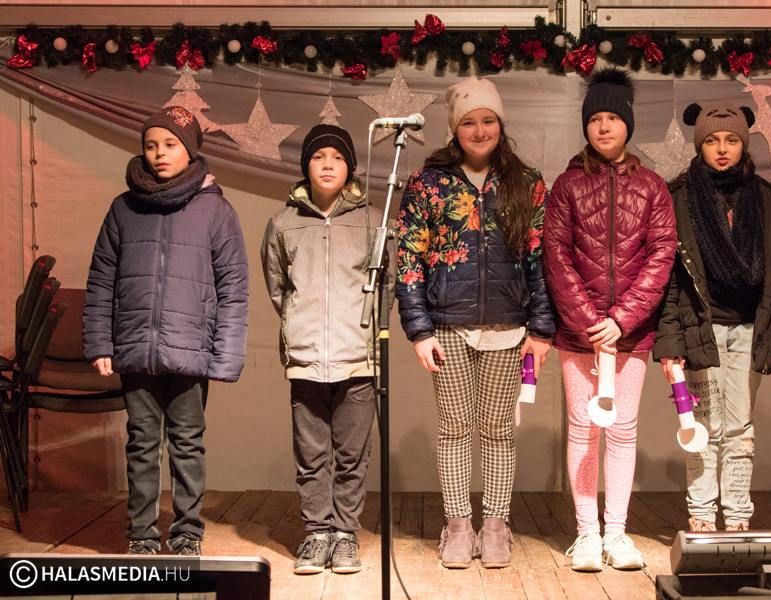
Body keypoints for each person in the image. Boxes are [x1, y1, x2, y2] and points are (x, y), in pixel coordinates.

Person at [396, 76, 556, 569]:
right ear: (455, 127)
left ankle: (497, 525)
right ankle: (458, 525)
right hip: (448, 327)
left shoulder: (526, 183)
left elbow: (542, 260)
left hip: (509, 328)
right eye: (469, 122)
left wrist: (542, 329)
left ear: (500, 124)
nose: (480, 130)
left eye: (488, 120)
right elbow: (409, 261)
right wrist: (419, 331)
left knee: (499, 430)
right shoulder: (428, 184)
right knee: (454, 429)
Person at [83, 106, 249, 556]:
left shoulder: (215, 210)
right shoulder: (123, 209)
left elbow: (233, 286)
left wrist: (225, 355)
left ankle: (187, 532)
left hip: (190, 350)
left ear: (190, 150)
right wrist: (100, 342)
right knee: (141, 443)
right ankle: (141, 535)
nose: (159, 153)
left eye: (170, 144)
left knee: (187, 443)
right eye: (151, 145)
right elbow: (101, 279)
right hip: (135, 348)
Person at [544, 68, 676, 572]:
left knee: (622, 429)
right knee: (584, 429)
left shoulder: (652, 187)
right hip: (580, 336)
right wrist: (588, 322)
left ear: (628, 124)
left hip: (632, 334)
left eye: (613, 118)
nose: (603, 127)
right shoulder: (567, 185)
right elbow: (556, 256)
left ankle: (617, 532)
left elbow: (661, 255)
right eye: (595, 118)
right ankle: (586, 533)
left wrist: (622, 319)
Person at [654, 101, 771, 533]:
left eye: (731, 140)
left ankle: (738, 517)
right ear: (699, 145)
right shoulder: (679, 200)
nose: (722, 149)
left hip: (751, 329)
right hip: (699, 329)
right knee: (701, 427)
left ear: (744, 144)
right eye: (712, 141)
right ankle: (702, 515)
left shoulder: (770, 204)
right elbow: (670, 281)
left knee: (740, 427)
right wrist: (670, 343)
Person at [262, 124, 390, 574]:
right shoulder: (283, 223)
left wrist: (368, 333)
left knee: (352, 455)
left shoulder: (373, 221)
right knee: (312, 454)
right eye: (319, 157)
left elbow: (386, 285)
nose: (328, 165)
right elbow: (278, 288)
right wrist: (300, 326)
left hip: (357, 358)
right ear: (306, 166)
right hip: (306, 359)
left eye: (337, 157)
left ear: (350, 167)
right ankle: (317, 533)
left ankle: (345, 534)